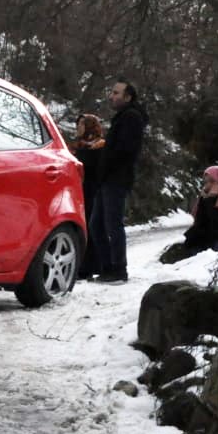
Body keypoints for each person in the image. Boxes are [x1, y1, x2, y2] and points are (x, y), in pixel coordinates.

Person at [89, 80, 148, 283]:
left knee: (112, 224)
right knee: (97, 225)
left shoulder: (131, 117)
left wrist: (107, 156)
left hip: (116, 178)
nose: (111, 96)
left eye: (116, 93)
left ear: (128, 97)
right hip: (107, 178)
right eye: (112, 92)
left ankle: (118, 269)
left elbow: (126, 150)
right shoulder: (123, 117)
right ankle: (107, 268)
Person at [70, 113, 105, 278]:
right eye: (78, 124)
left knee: (91, 226)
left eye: (82, 124)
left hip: (92, 191)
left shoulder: (99, 146)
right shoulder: (77, 146)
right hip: (77, 191)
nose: (78, 128)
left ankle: (90, 266)